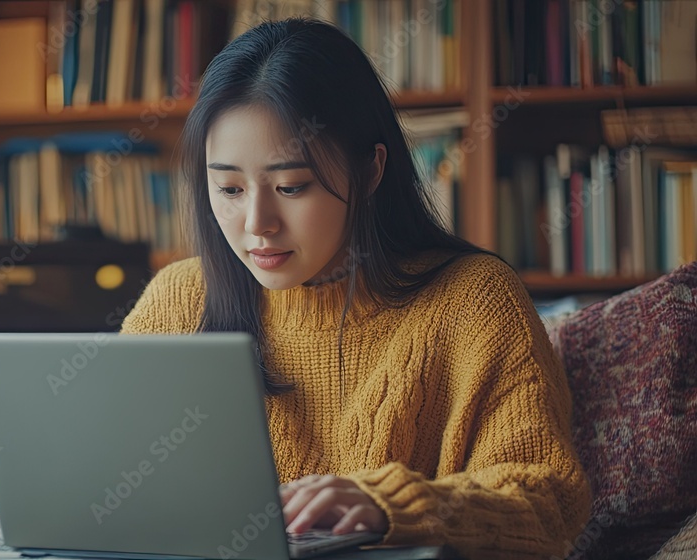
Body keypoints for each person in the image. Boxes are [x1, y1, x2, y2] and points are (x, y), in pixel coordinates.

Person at [120, 18, 590, 559]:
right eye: (228, 187)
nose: (257, 222)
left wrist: (394, 504)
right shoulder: (179, 299)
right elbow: (109, 478)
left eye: (291, 186)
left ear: (370, 171)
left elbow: (548, 503)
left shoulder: (474, 301)